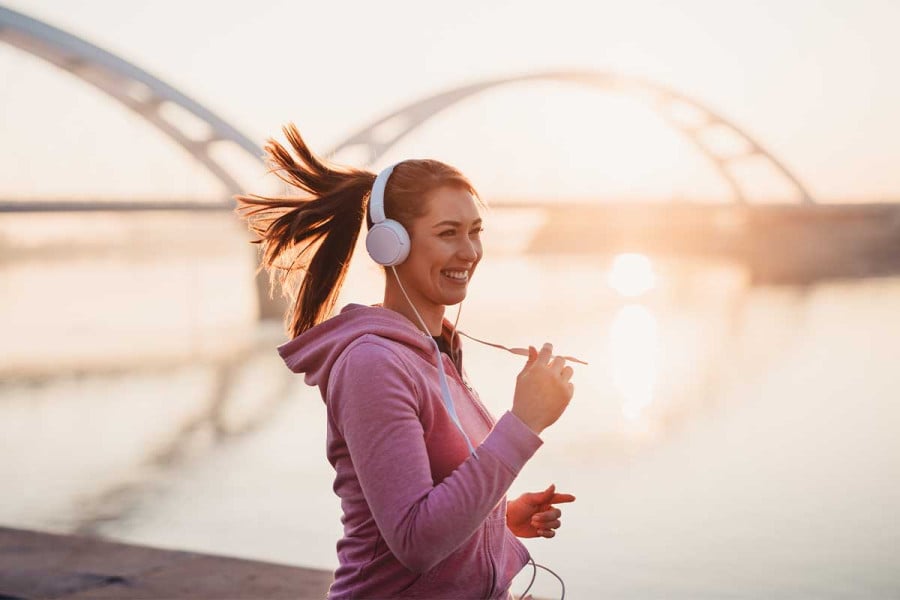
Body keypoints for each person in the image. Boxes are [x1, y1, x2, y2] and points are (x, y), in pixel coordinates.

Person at [235, 124, 577, 599]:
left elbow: (439, 493)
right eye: (448, 233)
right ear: (390, 244)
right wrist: (523, 423)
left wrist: (499, 516)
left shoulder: (438, 352)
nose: (469, 251)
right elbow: (416, 542)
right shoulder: (372, 364)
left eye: (475, 232)